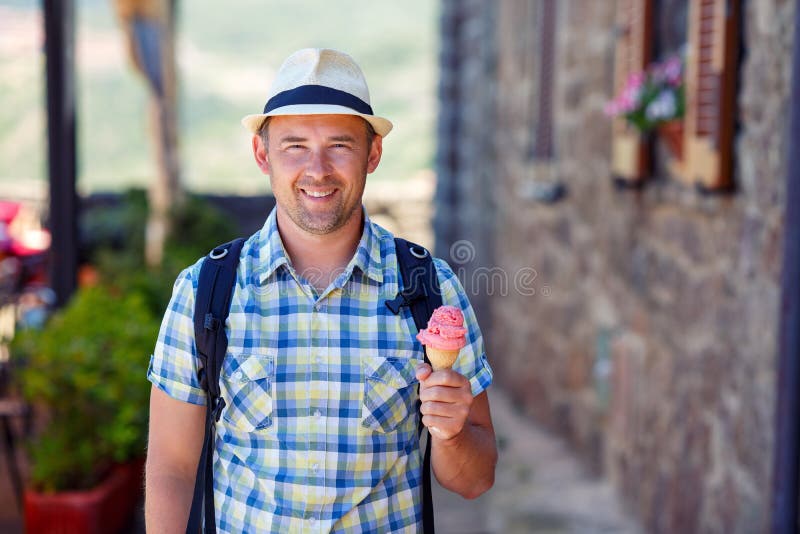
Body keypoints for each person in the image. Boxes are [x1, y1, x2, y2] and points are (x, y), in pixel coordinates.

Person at [145, 48, 497, 533]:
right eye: (294, 146)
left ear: (372, 154)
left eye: (340, 145)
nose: (317, 169)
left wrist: (451, 432)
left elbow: (475, 481)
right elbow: (171, 466)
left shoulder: (432, 291)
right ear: (262, 154)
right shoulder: (205, 290)